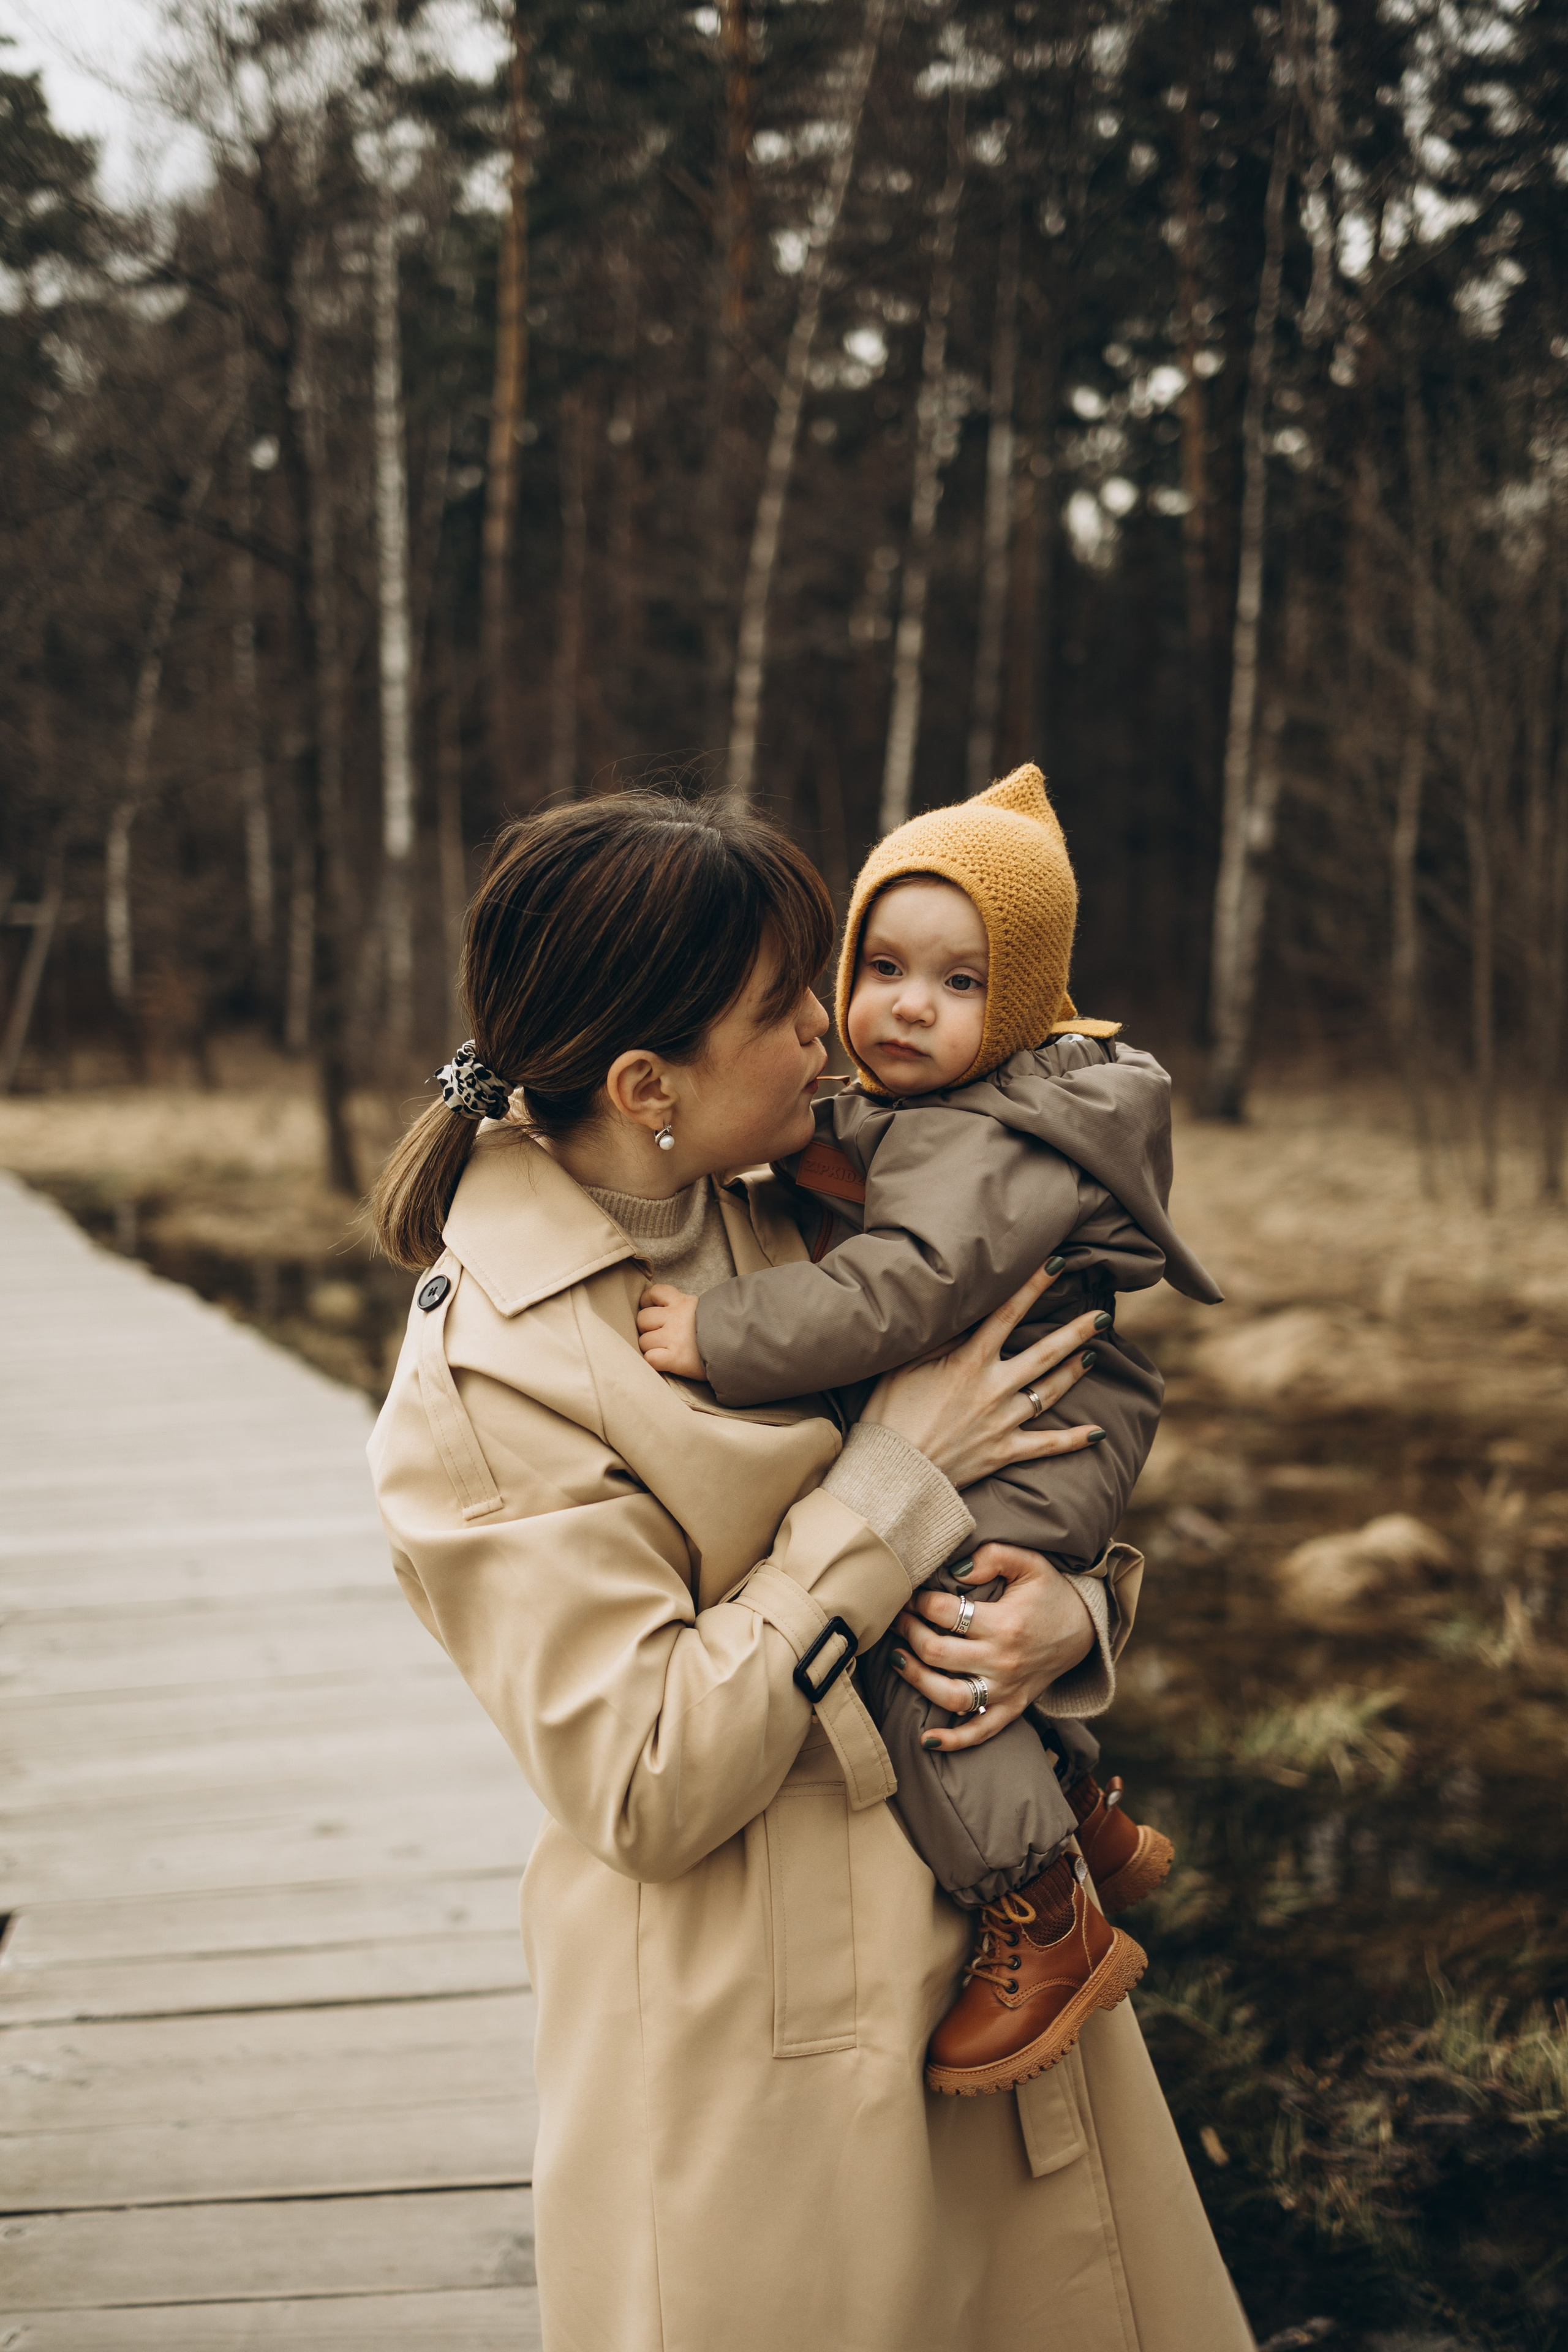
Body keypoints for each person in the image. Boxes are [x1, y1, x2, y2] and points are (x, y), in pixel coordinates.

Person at [368, 792, 1255, 2351]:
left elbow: (1030, 1466)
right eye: (784, 1009)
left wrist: (1073, 1621)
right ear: (647, 1084)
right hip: (761, 2053)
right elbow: (645, 1779)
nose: (830, 1037)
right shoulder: (488, 1378)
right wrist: (891, 1484)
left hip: (991, 1963)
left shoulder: (803, 1203)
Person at [636, 766, 1221, 2098]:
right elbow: (869, 1155)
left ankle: (1039, 1906)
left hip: (1034, 1432)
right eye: (884, 965)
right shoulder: (955, 1112)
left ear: (1014, 1010)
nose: (906, 1005)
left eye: (958, 986)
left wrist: (721, 1334)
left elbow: (897, 1286)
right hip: (1038, 1418)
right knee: (960, 1629)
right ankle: (1086, 1815)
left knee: (929, 1660)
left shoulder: (993, 1144)